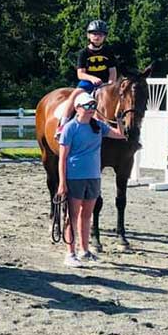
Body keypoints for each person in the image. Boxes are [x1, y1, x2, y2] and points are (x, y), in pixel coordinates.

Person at [57, 92, 125, 267]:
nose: (90, 109)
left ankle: (84, 250)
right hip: (75, 176)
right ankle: (70, 253)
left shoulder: (98, 126)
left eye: (93, 106)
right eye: (87, 106)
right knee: (72, 216)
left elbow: (119, 134)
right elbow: (62, 158)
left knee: (86, 215)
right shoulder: (70, 128)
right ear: (77, 108)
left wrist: (118, 119)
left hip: (94, 176)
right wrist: (62, 183)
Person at [55, 19, 117, 138]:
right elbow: (80, 74)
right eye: (94, 34)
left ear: (105, 37)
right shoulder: (84, 53)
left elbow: (112, 71)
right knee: (73, 97)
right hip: (87, 84)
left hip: (105, 84)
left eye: (100, 34)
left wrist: (111, 83)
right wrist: (92, 78)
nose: (97, 37)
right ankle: (62, 125)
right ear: (89, 35)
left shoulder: (108, 52)